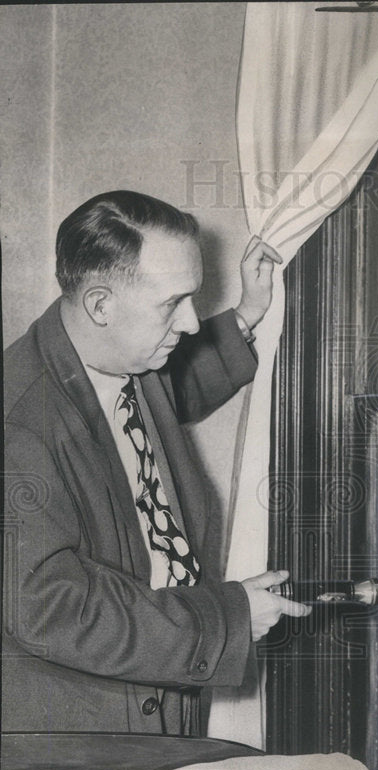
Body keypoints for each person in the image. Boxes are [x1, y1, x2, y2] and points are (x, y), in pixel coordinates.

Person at [2, 190, 310, 734]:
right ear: (101, 305)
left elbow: (176, 392)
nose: (191, 324)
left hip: (162, 694)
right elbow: (51, 607)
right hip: (86, 727)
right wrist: (226, 617)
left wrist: (245, 316)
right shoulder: (18, 423)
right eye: (173, 304)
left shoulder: (126, 359)